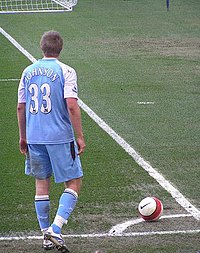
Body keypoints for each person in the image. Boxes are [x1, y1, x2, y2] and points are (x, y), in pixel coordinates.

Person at [17, 30, 86, 252]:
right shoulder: (66, 71)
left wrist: (23, 136)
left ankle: (46, 236)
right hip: (59, 136)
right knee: (74, 181)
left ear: (42, 47)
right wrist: (79, 136)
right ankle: (56, 229)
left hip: (35, 137)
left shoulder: (27, 72)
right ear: (60, 48)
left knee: (41, 184)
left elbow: (21, 106)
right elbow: (72, 105)